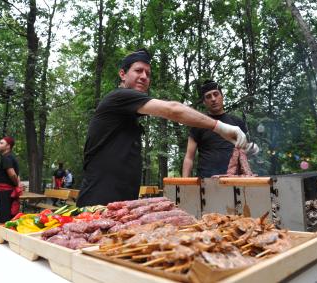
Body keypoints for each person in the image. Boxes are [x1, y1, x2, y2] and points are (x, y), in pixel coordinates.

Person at [77, 48, 248, 206]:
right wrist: (220, 127)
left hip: (121, 205)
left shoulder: (127, 112)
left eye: (148, 73)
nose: (144, 76)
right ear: (122, 74)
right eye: (138, 70)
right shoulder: (118, 97)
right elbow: (173, 110)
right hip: (97, 203)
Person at [182, 80, 258, 178]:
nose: (213, 99)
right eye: (208, 96)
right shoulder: (199, 124)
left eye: (216, 94)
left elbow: (243, 151)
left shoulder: (237, 122)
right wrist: (184, 184)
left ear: (222, 96)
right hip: (206, 182)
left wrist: (251, 148)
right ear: (204, 102)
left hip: (235, 181)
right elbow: (189, 157)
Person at [0, 136, 21, 224]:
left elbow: (13, 174)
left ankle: (4, 237)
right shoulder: (11, 157)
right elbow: (17, 175)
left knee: (3, 218)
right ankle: (7, 236)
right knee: (9, 216)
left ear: (8, 146)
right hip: (7, 193)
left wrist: (17, 185)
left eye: (1, 143)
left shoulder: (6, 158)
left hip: (4, 194)